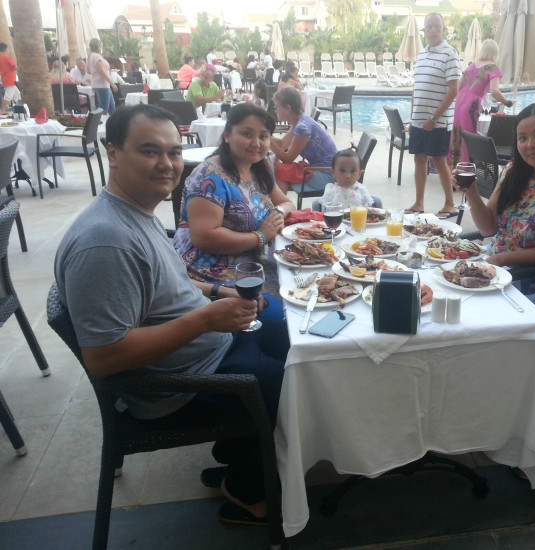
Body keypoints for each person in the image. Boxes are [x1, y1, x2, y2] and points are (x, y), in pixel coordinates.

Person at [54, 103, 288, 524]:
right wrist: (207, 319)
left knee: (289, 329)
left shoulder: (134, 212)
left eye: (174, 152)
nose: (167, 164)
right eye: (149, 151)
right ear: (112, 153)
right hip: (179, 384)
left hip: (205, 345)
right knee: (296, 384)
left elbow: (167, 286)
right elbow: (104, 357)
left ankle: (241, 448)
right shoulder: (106, 243)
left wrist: (217, 292)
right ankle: (248, 486)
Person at [173, 103, 295, 320]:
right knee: (288, 314)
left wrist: (276, 213)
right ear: (228, 135)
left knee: (306, 288)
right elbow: (204, 237)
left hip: (250, 264)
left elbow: (287, 203)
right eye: (247, 134)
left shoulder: (259, 168)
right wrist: (260, 236)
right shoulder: (210, 176)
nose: (256, 143)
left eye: (263, 136)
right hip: (207, 274)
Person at [465, 103, 535, 291]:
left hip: (531, 278)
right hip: (494, 262)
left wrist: (501, 259)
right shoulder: (513, 170)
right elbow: (487, 229)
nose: (530, 145)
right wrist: (470, 189)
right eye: (522, 138)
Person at [406, 12, 462, 219]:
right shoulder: (421, 54)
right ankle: (418, 203)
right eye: (429, 26)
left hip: (438, 122)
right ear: (424, 30)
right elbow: (416, 89)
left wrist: (434, 118)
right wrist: (413, 118)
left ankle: (450, 204)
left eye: (437, 26)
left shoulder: (450, 54)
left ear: (444, 29)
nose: (433, 30)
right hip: (419, 120)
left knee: (439, 161)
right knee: (419, 160)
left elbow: (454, 90)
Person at [450, 39, 513, 166]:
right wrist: (507, 102)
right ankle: (467, 167)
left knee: (457, 135)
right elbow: (494, 92)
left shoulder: (472, 66)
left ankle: (454, 167)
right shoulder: (493, 68)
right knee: (469, 137)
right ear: (495, 52)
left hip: (459, 102)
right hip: (472, 104)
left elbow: (458, 87)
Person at [269, 86, 338, 194]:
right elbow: (282, 144)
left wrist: (268, 141)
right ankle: (280, 202)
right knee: (277, 172)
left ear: (287, 108)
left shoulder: (302, 127)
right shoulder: (299, 122)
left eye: (277, 107)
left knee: (278, 172)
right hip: (322, 170)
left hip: (329, 175)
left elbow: (287, 159)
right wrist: (263, 135)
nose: (275, 110)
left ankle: (281, 203)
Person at [88, 38, 117, 114]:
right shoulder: (97, 57)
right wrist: (112, 83)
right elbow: (101, 71)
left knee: (111, 105)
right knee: (104, 107)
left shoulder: (90, 56)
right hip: (102, 84)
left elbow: (88, 71)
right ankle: (94, 118)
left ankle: (113, 119)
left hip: (98, 84)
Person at [0, 43, 19, 112]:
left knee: (17, 94)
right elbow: (14, 67)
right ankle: (2, 110)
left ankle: (19, 108)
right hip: (11, 79)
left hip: (5, 79)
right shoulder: (8, 58)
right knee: (8, 95)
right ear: (6, 49)